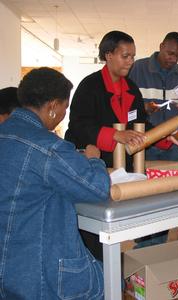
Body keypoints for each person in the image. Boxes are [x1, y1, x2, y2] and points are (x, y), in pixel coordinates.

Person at [0, 67, 110, 299]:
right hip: (39, 273)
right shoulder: (49, 147)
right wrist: (93, 160)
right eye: (64, 108)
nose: (63, 115)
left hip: (8, 267)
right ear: (52, 107)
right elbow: (97, 188)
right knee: (109, 279)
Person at [65, 30, 146, 172]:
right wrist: (115, 135)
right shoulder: (89, 86)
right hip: (95, 165)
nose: (130, 62)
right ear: (109, 55)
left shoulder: (132, 89)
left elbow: (140, 124)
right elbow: (79, 125)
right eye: (125, 56)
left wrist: (165, 135)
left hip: (125, 165)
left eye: (132, 57)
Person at [129, 31, 178, 161]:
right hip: (144, 142)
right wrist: (143, 108)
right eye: (170, 54)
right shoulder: (137, 69)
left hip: (174, 146)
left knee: (173, 180)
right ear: (161, 46)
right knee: (145, 180)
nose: (174, 59)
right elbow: (124, 107)